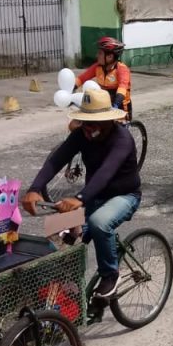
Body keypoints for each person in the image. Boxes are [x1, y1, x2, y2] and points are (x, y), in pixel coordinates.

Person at [22, 89, 141, 318]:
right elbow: (57, 159)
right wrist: (35, 189)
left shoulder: (122, 139)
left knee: (99, 222)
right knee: (57, 231)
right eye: (85, 122)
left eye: (93, 123)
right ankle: (70, 292)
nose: (88, 128)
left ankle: (110, 275)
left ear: (108, 121)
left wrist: (79, 199)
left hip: (124, 196)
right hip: (94, 197)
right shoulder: (81, 135)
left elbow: (105, 173)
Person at [71, 37, 131, 132]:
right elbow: (82, 78)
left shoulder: (122, 69)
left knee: (117, 133)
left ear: (110, 56)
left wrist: (115, 105)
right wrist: (71, 90)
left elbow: (122, 88)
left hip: (120, 105)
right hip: (102, 103)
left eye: (100, 53)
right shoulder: (97, 67)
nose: (97, 55)